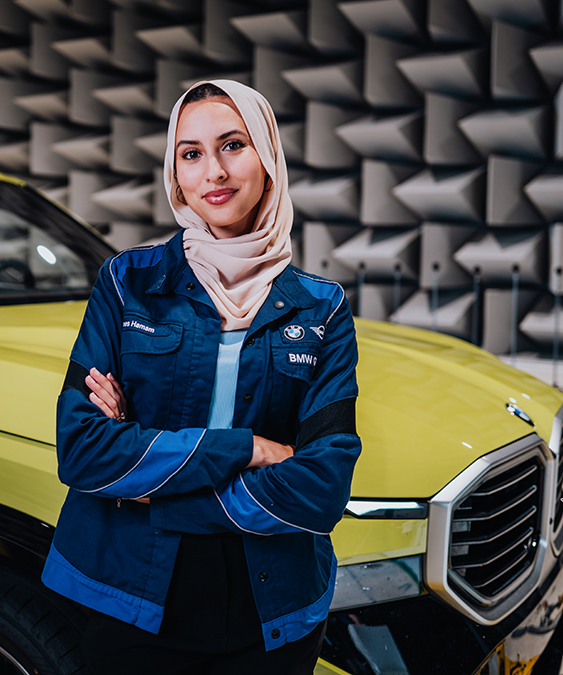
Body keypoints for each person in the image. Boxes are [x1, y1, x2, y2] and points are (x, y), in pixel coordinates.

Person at [42, 79, 362, 674]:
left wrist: (143, 478)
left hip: (273, 605)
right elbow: (82, 452)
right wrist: (249, 449)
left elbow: (322, 486)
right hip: (131, 593)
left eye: (233, 145)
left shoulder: (322, 308)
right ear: (175, 172)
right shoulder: (126, 283)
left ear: (267, 159)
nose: (212, 170)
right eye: (191, 153)